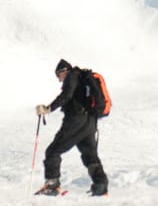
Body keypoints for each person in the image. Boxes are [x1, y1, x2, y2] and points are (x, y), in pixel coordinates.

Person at [34, 58, 109, 196]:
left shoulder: (72, 76)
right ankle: (100, 187)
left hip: (76, 119)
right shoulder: (82, 77)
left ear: (64, 71)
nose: (59, 80)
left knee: (53, 151)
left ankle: (52, 186)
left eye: (58, 75)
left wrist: (49, 108)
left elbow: (66, 95)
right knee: (90, 155)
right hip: (90, 122)